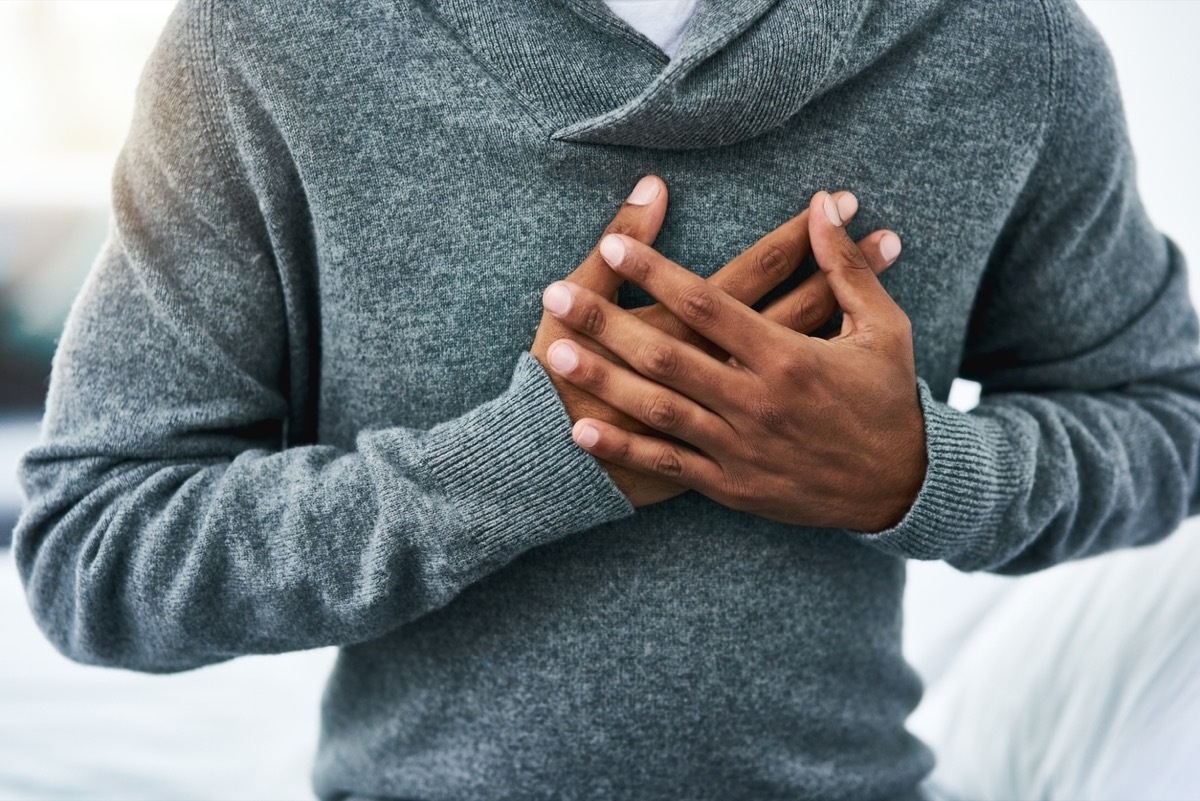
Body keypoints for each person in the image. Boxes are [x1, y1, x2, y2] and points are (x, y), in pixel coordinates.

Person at [14, 0, 1200, 799]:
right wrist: (532, 462)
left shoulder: (1004, 42)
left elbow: (1166, 415)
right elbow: (94, 555)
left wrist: (921, 473)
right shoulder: (263, 40)